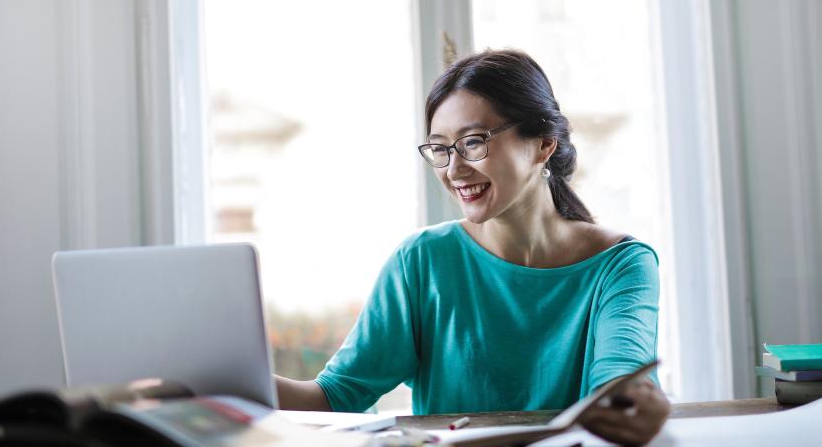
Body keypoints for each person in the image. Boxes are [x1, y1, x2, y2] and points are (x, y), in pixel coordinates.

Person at [276, 50, 669, 445]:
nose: (453, 169)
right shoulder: (422, 261)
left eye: (473, 142)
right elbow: (336, 396)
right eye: (441, 149)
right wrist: (230, 379)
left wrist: (636, 402)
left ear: (544, 143)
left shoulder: (620, 265)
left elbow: (621, 378)